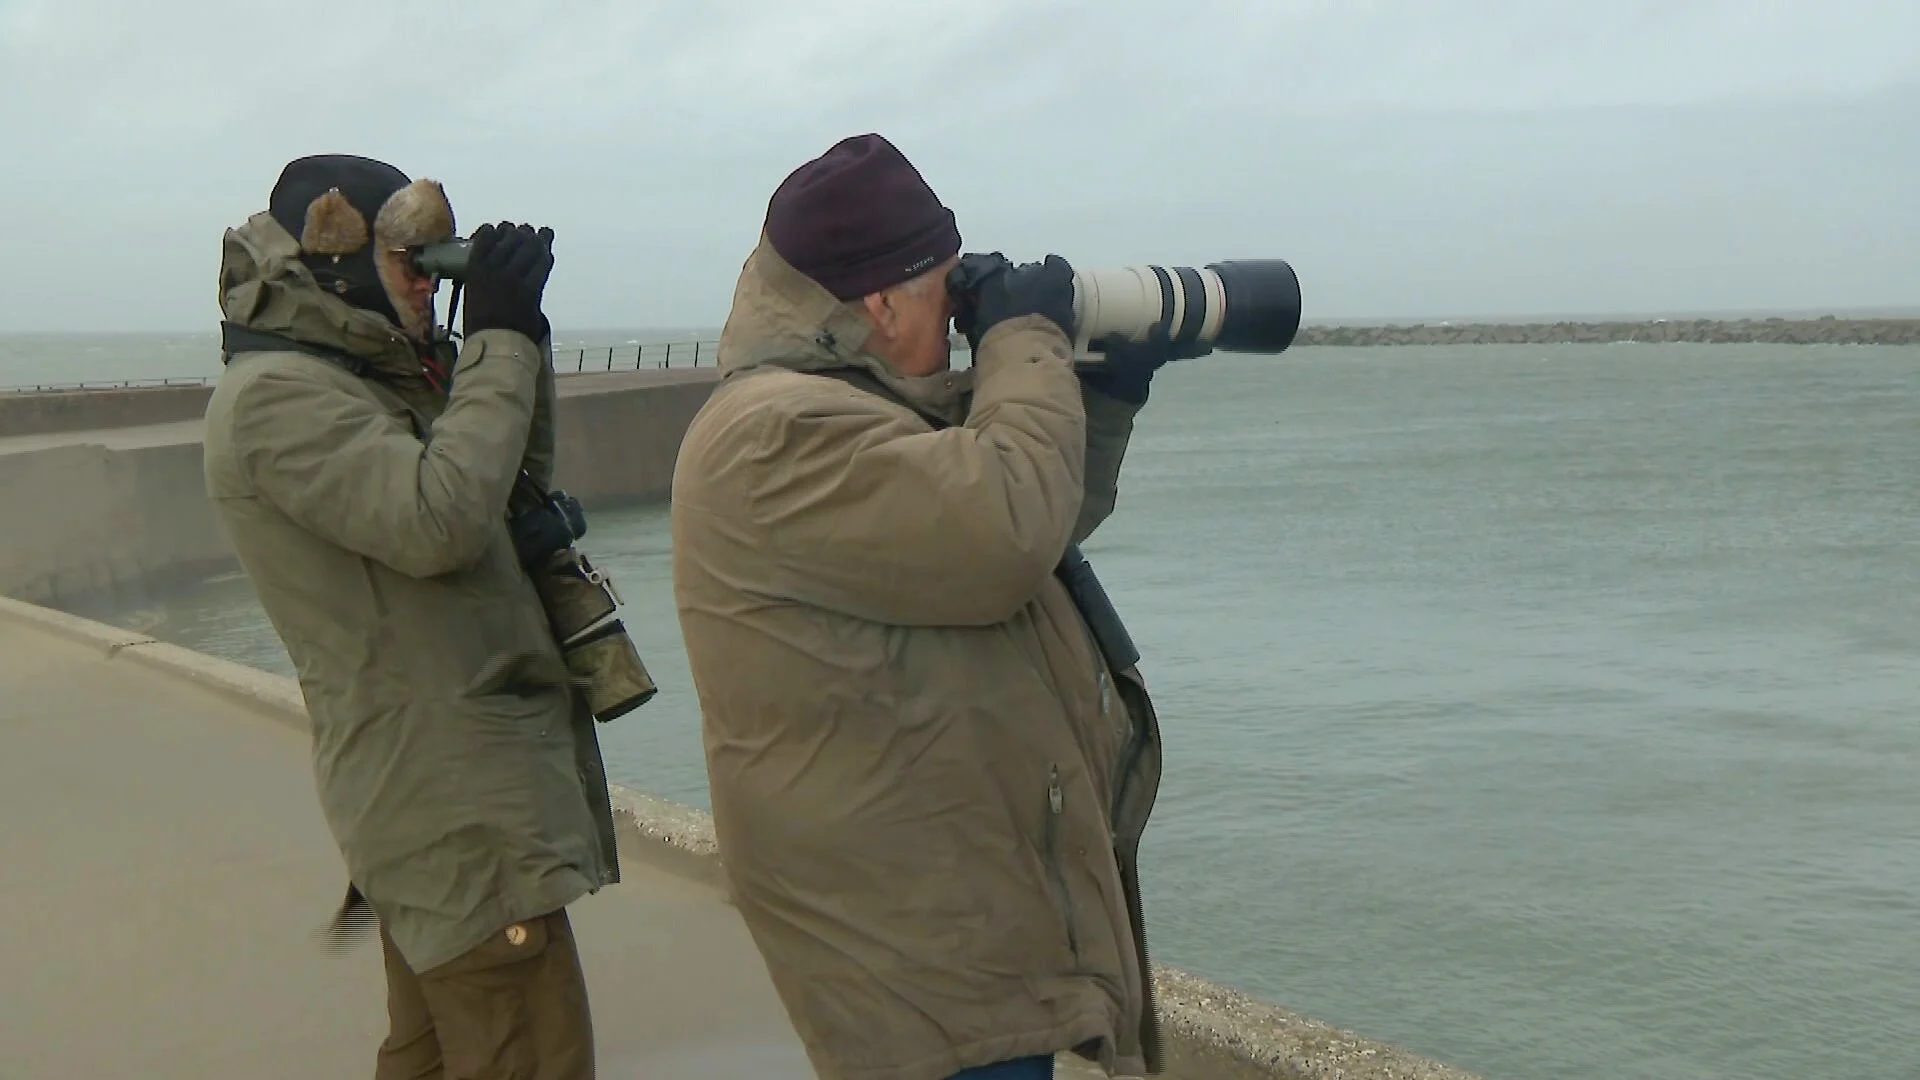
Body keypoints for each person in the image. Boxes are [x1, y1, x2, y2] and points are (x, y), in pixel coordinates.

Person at [670, 132, 1202, 1080]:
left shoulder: (854, 409)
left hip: (943, 911)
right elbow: (1001, 532)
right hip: (911, 945)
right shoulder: (774, 434)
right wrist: (1024, 339)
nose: (958, 324)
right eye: (944, 296)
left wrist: (1105, 398)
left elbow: (1016, 528)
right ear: (877, 300)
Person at [201, 153, 619, 1080]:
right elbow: (439, 521)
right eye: (411, 265)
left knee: (430, 1058)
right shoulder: (279, 400)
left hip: (450, 797)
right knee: (530, 1055)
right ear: (342, 263)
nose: (429, 288)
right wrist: (498, 345)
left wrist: (520, 334)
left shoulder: (362, 375)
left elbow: (508, 489)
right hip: (451, 808)